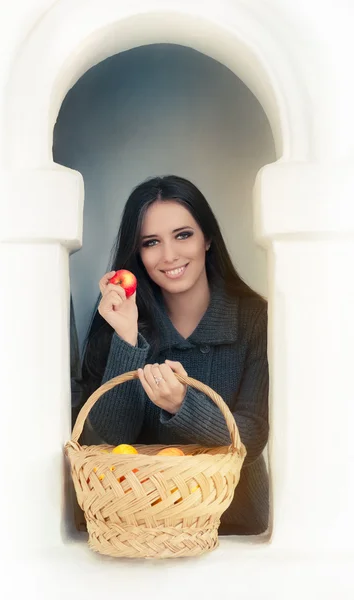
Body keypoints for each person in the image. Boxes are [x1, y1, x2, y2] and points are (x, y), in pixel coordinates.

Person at [79, 174, 269, 535]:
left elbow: (255, 435)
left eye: (183, 235)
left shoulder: (254, 318)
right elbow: (111, 438)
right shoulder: (126, 318)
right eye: (151, 242)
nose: (169, 256)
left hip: (235, 528)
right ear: (138, 253)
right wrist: (127, 335)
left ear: (208, 238)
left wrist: (183, 404)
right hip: (143, 527)